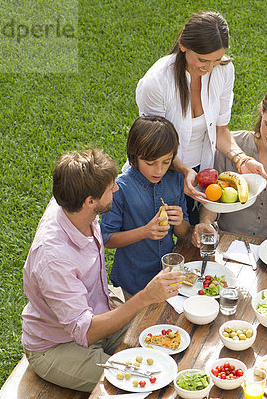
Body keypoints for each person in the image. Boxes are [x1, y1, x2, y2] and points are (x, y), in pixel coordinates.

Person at [21, 149, 184, 392]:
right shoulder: (54, 259)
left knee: (166, 345)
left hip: (99, 312)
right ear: (90, 201)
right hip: (57, 345)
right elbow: (85, 332)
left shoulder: (73, 205)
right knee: (139, 383)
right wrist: (145, 296)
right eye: (110, 188)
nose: (116, 189)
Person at [134, 10, 267, 224]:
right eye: (202, 60)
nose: (209, 68)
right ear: (183, 46)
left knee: (195, 237)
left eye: (216, 60)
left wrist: (242, 159)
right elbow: (154, 145)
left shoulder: (224, 70)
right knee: (159, 242)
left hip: (202, 173)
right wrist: (185, 169)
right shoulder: (156, 83)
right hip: (157, 171)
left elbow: (220, 130)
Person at [190, 84, 267, 244]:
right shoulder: (231, 147)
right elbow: (211, 197)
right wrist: (206, 223)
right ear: (262, 111)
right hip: (225, 244)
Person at [101, 116, 190, 296]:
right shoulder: (120, 189)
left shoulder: (176, 181)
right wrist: (144, 231)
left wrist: (180, 221)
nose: (159, 170)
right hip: (133, 280)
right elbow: (106, 239)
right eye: (151, 163)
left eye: (166, 162)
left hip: (167, 276)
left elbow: (184, 232)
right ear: (135, 157)